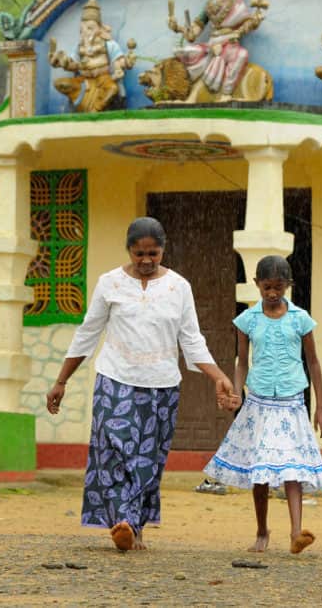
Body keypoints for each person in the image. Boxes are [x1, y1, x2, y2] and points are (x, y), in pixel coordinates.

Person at [46, 217, 237, 552]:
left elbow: (192, 340)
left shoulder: (179, 287)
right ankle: (122, 520)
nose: (147, 260)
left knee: (147, 460)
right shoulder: (109, 283)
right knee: (113, 452)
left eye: (154, 253)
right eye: (139, 253)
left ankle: (134, 527)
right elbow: (88, 333)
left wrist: (219, 377)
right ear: (129, 250)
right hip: (114, 379)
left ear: (163, 249)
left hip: (161, 387)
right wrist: (61, 380)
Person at [203, 255, 322, 554]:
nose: (273, 294)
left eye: (278, 287)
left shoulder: (300, 318)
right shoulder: (248, 320)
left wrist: (321, 406)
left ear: (288, 285)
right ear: (256, 285)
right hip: (259, 403)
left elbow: (313, 362)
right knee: (260, 472)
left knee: (293, 469)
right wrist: (237, 393)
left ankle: (295, 533)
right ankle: (262, 531)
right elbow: (241, 363)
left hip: (291, 403)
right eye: (267, 288)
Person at [168, 0, 266, 103]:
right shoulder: (208, 5)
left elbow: (247, 24)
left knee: (242, 54)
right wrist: (178, 27)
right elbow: (193, 33)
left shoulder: (235, 2)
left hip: (229, 44)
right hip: (211, 45)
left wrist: (254, 22)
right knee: (187, 50)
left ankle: (227, 93)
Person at [48, 0, 136, 113]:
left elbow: (118, 62)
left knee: (112, 89)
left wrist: (127, 62)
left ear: (99, 28)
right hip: (84, 80)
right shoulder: (79, 47)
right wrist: (61, 62)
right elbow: (73, 64)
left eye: (90, 28)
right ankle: (80, 103)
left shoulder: (109, 45)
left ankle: (96, 109)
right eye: (82, 29)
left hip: (103, 78)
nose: (85, 32)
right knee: (59, 83)